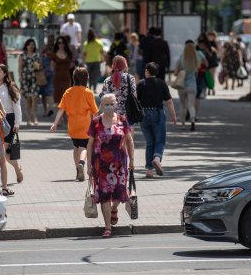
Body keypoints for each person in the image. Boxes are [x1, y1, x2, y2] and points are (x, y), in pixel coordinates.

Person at [87, 93, 135, 238]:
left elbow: (129, 140)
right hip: (100, 166)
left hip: (119, 165)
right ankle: (107, 226)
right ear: (101, 105)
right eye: (106, 104)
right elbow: (89, 144)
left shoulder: (122, 120)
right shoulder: (96, 121)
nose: (109, 106)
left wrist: (132, 160)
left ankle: (114, 208)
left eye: (112, 103)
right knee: (104, 196)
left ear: (116, 104)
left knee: (120, 193)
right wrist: (88, 165)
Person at [50, 67, 99, 181]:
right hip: (85, 124)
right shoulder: (88, 92)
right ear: (86, 78)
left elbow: (61, 109)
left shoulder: (68, 91)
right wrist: (96, 126)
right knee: (84, 147)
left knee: (76, 146)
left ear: (74, 78)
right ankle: (82, 163)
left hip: (72, 125)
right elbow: (95, 112)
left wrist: (55, 123)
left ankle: (78, 170)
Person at [137, 62, 177, 178]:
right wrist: (173, 115)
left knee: (150, 143)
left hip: (143, 115)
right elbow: (169, 101)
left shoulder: (140, 84)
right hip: (157, 114)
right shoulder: (161, 84)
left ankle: (149, 171)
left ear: (147, 71)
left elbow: (135, 101)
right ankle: (157, 158)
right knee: (160, 141)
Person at [0, 64, 24, 184]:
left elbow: (17, 106)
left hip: (8, 121)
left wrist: (17, 123)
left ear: (5, 74)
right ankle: (16, 168)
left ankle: (3, 179)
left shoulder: (11, 87)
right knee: (1, 153)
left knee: (2, 152)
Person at [174, 40, 207, 131]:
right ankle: (192, 120)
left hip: (181, 85)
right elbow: (198, 70)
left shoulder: (181, 58)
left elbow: (175, 72)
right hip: (192, 85)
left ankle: (183, 125)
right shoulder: (196, 59)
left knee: (182, 104)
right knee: (191, 105)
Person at [100, 55, 136, 121]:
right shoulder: (130, 78)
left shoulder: (107, 80)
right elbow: (134, 94)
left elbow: (103, 96)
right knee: (128, 130)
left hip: (112, 113)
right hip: (128, 112)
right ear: (125, 65)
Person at [47, 35, 74, 112]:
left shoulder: (69, 53)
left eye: (62, 43)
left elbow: (71, 65)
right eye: (59, 43)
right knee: (58, 98)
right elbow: (51, 67)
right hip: (57, 77)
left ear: (65, 44)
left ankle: (65, 115)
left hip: (66, 77)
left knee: (66, 97)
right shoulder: (54, 54)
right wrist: (53, 66)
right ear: (57, 44)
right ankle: (60, 118)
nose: (61, 44)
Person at [18, 38, 41, 126]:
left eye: (33, 44)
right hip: (25, 79)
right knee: (27, 99)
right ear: (26, 46)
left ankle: (35, 117)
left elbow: (40, 67)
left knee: (34, 98)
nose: (31, 46)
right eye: (29, 44)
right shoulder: (22, 56)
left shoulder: (37, 56)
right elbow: (20, 68)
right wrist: (20, 77)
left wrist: (38, 66)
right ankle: (28, 118)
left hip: (35, 78)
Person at [82, 28, 105, 93]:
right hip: (97, 61)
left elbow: (84, 54)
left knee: (89, 75)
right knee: (95, 76)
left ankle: (90, 87)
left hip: (88, 61)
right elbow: (102, 52)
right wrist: (103, 60)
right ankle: (94, 88)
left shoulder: (86, 43)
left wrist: (83, 61)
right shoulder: (99, 43)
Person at [40, 34, 55, 117]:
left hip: (52, 73)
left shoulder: (55, 48)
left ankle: (50, 109)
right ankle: (46, 110)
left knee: (50, 92)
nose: (50, 41)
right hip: (43, 74)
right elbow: (40, 57)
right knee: (43, 94)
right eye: (49, 39)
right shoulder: (44, 48)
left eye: (51, 39)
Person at [205, 31, 221, 95]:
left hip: (213, 61)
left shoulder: (215, 43)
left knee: (212, 76)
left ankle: (212, 88)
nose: (210, 37)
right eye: (209, 35)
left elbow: (218, 51)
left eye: (212, 36)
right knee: (207, 76)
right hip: (206, 60)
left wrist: (214, 49)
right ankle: (208, 88)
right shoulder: (205, 43)